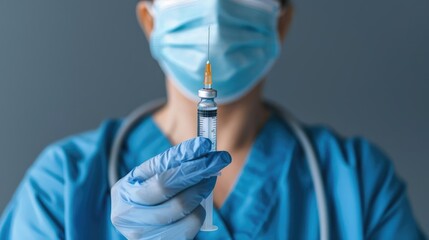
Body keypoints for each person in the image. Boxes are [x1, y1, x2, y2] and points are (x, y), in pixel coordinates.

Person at [0, 0, 425, 239]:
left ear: (282, 20)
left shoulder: (358, 186)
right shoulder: (61, 188)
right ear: (150, 21)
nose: (216, 11)